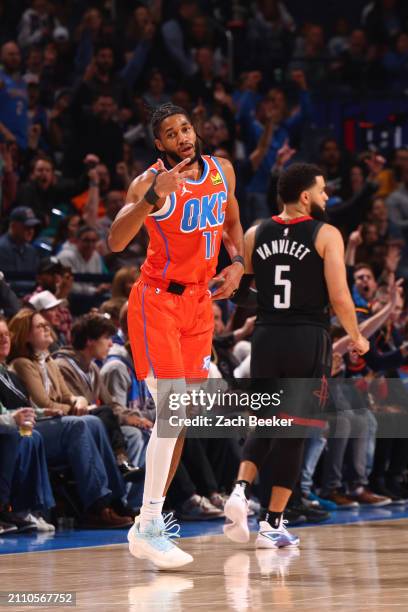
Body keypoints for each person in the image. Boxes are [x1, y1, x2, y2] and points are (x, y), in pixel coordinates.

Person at [108, 102, 244, 568]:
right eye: (172, 133)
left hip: (200, 303)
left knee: (181, 418)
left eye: (186, 127)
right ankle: (147, 523)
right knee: (171, 409)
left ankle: (149, 522)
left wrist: (239, 264)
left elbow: (231, 224)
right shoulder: (149, 183)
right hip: (157, 302)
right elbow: (115, 241)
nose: (183, 136)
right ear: (160, 144)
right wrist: (149, 200)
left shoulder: (221, 170)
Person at [223, 162, 369, 549]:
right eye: (322, 191)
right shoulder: (327, 234)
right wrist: (356, 336)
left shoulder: (255, 232)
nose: (326, 197)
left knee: (265, 422)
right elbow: (340, 296)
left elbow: (240, 295)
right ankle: (272, 523)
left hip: (267, 337)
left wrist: (271, 303)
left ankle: (240, 491)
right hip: (307, 337)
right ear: (305, 196)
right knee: (294, 432)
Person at [1, 313, 132, 528]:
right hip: (37, 424)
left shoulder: (49, 361)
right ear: (26, 335)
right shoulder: (22, 364)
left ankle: (115, 501)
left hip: (42, 420)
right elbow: (44, 402)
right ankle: (97, 506)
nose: (47, 328)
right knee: (81, 423)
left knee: (95, 421)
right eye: (39, 326)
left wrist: (77, 400)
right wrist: (71, 407)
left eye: (46, 324)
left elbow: (64, 394)